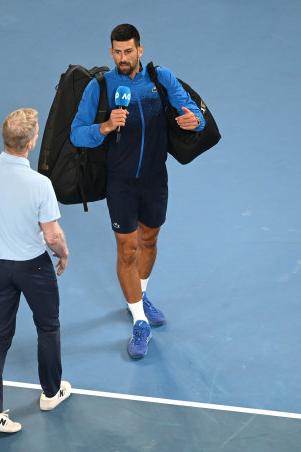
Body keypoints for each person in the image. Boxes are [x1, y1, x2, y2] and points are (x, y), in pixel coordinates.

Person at [70, 24, 205, 359]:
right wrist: (104, 126)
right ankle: (139, 321)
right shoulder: (99, 87)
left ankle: (139, 294)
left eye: (128, 51)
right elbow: (76, 134)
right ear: (111, 52)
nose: (122, 58)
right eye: (116, 52)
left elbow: (191, 111)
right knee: (127, 250)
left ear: (140, 50)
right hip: (121, 182)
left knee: (149, 241)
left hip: (155, 178)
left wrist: (194, 121)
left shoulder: (160, 79)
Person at [0, 108, 72, 433]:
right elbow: (52, 235)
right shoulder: (40, 184)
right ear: (31, 143)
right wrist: (63, 254)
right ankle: (51, 393)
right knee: (48, 327)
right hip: (34, 269)